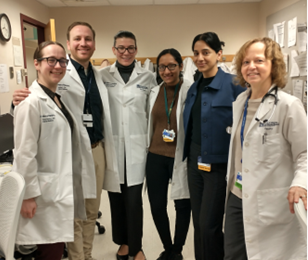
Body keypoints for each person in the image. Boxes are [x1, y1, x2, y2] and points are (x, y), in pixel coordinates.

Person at [13, 21, 115, 260]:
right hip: (68, 157)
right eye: (77, 38)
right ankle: (78, 256)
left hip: (95, 148)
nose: (83, 43)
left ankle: (86, 255)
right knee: (73, 216)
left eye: (88, 39)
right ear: (69, 44)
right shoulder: (49, 85)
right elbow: (25, 146)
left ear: (94, 44)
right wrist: (15, 101)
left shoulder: (97, 75)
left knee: (90, 210)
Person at [224, 37, 307, 260]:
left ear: (273, 65)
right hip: (236, 193)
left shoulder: (288, 105)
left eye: (259, 60)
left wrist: (301, 183)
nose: (251, 67)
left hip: (270, 198)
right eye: (245, 62)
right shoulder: (241, 101)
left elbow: (305, 152)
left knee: (267, 254)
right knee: (232, 254)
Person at [13, 41, 86, 260]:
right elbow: (24, 152)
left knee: (54, 248)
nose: (58, 66)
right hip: (42, 195)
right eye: (51, 60)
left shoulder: (56, 98)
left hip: (57, 191)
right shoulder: (31, 102)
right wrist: (27, 196)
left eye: (63, 61)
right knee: (50, 252)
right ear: (36, 63)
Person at [182, 32, 245, 260]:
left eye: (206, 52)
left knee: (209, 225)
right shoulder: (193, 88)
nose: (200, 58)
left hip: (219, 165)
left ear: (219, 54)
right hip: (194, 162)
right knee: (199, 224)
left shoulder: (235, 85)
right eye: (196, 53)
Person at [99, 30, 157, 260]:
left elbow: (151, 113)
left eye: (130, 48)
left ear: (136, 50)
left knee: (134, 201)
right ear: (114, 50)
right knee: (116, 200)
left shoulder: (148, 78)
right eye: (121, 48)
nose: (126, 52)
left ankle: (136, 247)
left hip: (136, 148)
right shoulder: (101, 76)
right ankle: (123, 242)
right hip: (112, 147)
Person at [146, 48, 191, 260]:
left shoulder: (191, 90)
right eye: (162, 67)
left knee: (182, 203)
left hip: (180, 156)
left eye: (172, 65)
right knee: (156, 204)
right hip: (155, 155)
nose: (167, 71)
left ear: (181, 67)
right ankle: (168, 246)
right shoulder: (154, 92)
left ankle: (178, 249)